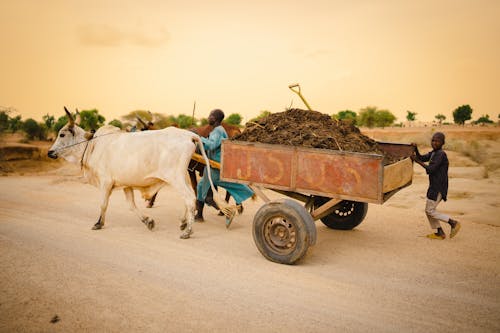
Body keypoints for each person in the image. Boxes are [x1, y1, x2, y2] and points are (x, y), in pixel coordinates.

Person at [195, 109, 254, 224]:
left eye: (210, 116)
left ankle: (228, 211)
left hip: (214, 168)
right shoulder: (218, 130)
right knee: (200, 187)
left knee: (207, 195)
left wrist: (199, 138)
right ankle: (199, 215)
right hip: (213, 167)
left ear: (215, 118)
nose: (208, 117)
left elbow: (211, 145)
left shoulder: (217, 131)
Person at [411, 132, 461, 239]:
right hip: (433, 186)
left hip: (439, 187)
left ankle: (453, 223)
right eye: (433, 140)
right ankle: (439, 232)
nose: (434, 142)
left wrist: (417, 161)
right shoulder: (434, 152)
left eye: (437, 141)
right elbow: (423, 157)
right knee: (429, 210)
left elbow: (431, 169)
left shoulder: (441, 154)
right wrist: (416, 149)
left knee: (430, 210)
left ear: (442, 143)